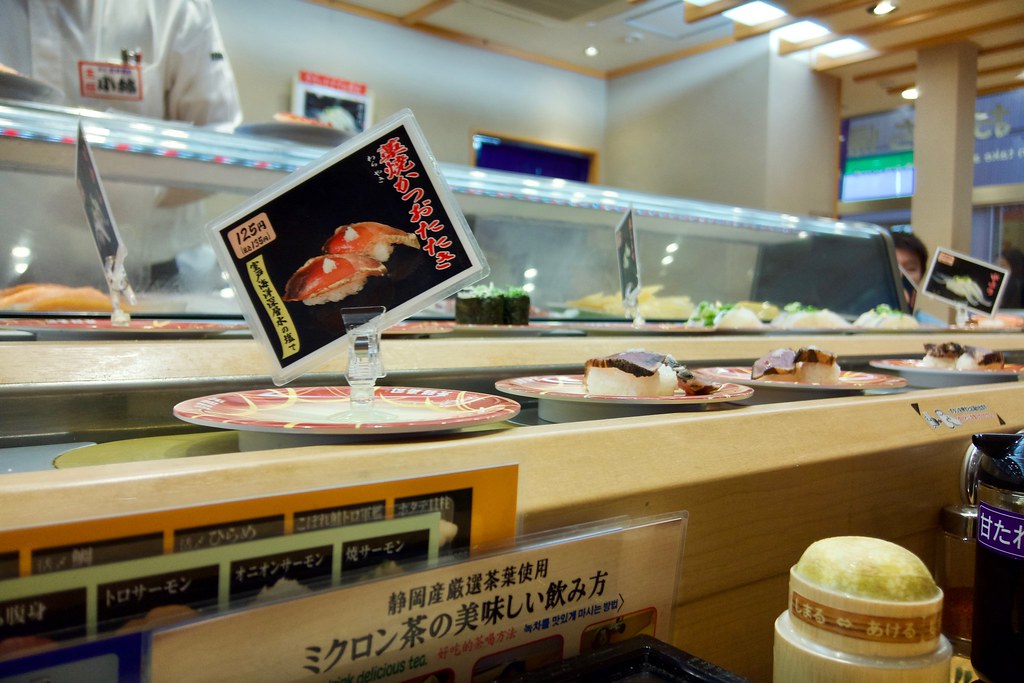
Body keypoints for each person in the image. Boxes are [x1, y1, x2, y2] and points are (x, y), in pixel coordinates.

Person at [0, 0, 243, 296]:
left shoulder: (174, 7)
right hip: (8, 261)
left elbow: (221, 138)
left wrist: (145, 192)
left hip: (150, 271)